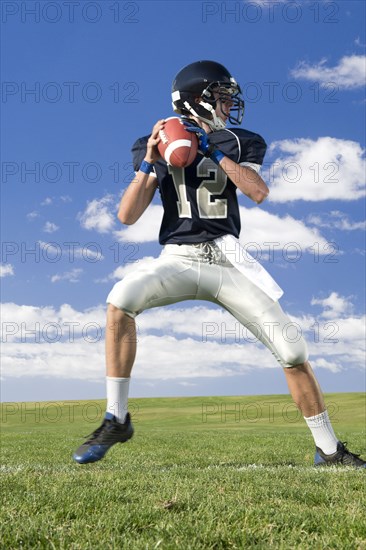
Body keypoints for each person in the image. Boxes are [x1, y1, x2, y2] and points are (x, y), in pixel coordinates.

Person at [73, 60, 365, 468]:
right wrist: (149, 162)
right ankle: (116, 417)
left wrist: (209, 149)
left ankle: (329, 451)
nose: (229, 104)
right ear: (196, 100)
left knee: (293, 350)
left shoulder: (241, 141)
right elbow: (126, 216)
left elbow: (257, 191)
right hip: (178, 256)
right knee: (120, 300)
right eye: (222, 96)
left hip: (228, 260)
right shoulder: (152, 142)